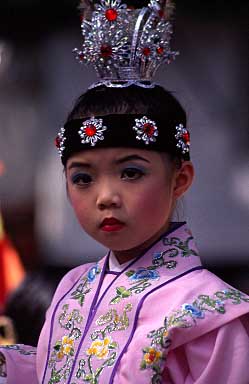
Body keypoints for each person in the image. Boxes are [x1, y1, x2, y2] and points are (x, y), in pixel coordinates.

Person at [1, 0, 249, 383]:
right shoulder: (74, 288)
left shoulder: (207, 312)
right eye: (83, 178)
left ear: (180, 179)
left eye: (131, 172)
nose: (105, 196)